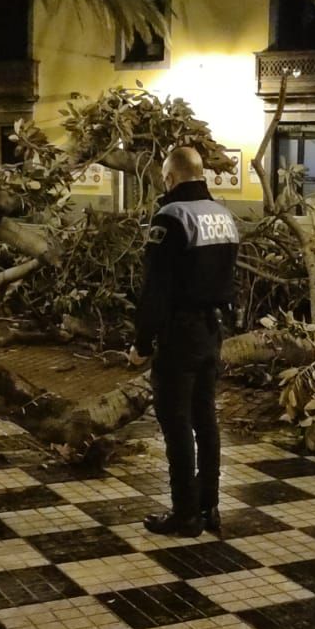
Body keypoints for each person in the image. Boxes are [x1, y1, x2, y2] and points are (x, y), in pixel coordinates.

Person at [128, 146, 241, 537]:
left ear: (171, 177)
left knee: (176, 424)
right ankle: (210, 506)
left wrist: (142, 342)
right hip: (213, 331)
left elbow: (155, 290)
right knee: (205, 420)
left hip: (179, 334)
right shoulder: (224, 216)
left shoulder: (170, 217)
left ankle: (184, 513)